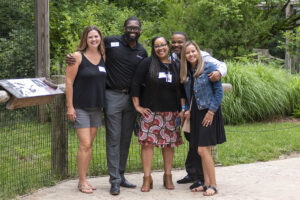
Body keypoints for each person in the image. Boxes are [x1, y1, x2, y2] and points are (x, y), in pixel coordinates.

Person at [66, 17, 148, 195]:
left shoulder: (142, 51)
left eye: (136, 27)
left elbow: (143, 77)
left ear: (140, 30)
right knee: (113, 138)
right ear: (124, 28)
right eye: (129, 27)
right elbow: (90, 47)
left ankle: (121, 174)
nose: (132, 30)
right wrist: (72, 56)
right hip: (111, 96)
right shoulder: (111, 42)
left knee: (125, 138)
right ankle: (114, 181)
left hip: (131, 100)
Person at [171, 32, 227, 190]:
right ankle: (205, 183)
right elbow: (190, 94)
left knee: (203, 149)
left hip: (208, 113)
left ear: (198, 52)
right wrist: (186, 109)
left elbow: (219, 92)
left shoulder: (209, 67)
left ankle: (213, 185)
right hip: (194, 113)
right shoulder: (187, 70)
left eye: (193, 51)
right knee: (200, 150)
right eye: (187, 53)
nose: (190, 54)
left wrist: (211, 112)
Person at [131, 36, 185, 192]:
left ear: (168, 46)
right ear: (153, 49)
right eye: (156, 46)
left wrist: (182, 109)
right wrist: (137, 106)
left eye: (163, 45)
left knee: (168, 146)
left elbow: (181, 90)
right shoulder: (147, 63)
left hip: (172, 113)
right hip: (151, 112)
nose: (160, 48)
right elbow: (135, 83)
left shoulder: (176, 65)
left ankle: (167, 176)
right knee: (147, 145)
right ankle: (147, 178)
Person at [65, 25, 106, 194]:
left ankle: (84, 179)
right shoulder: (77, 57)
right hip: (80, 107)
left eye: (96, 36)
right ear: (85, 39)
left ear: (100, 38)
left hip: (97, 107)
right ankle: (81, 182)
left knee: (89, 146)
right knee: (85, 144)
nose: (94, 39)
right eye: (90, 37)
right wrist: (70, 107)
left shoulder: (104, 56)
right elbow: (68, 81)